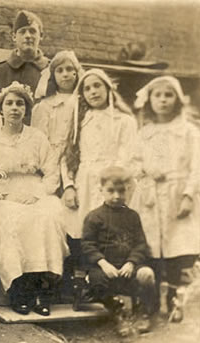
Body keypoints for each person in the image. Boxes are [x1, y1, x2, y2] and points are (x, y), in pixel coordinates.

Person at [130, 76, 200, 322]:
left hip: (178, 194)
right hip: (150, 197)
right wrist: (146, 171)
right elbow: (133, 163)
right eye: (158, 95)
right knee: (151, 252)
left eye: (169, 95)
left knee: (180, 253)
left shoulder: (188, 132)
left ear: (177, 100)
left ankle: (178, 301)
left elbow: (198, 167)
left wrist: (189, 195)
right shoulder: (145, 132)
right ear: (150, 100)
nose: (163, 100)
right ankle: (151, 302)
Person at [0, 82, 68, 316]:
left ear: (26, 109)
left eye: (20, 103)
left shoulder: (37, 137)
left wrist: (37, 194)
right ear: (0, 109)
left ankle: (42, 289)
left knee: (48, 215)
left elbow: (52, 171)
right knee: (10, 219)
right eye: (9, 103)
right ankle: (19, 289)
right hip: (3, 193)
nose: (14, 108)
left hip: (36, 190)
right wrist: (6, 194)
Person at [61, 69, 137, 239]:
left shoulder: (124, 121)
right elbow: (67, 156)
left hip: (114, 183)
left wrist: (114, 184)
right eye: (87, 89)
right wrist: (69, 186)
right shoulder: (79, 121)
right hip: (84, 183)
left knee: (112, 232)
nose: (93, 91)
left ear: (108, 89)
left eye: (97, 86)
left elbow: (128, 157)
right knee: (84, 233)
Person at [82, 166, 156, 336]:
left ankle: (143, 312)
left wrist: (131, 263)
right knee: (96, 281)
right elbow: (87, 245)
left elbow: (140, 244)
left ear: (128, 190)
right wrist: (103, 263)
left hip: (128, 268)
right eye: (111, 191)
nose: (116, 196)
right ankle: (118, 311)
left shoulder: (132, 216)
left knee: (147, 274)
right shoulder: (94, 216)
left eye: (121, 191)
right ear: (101, 190)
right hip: (105, 267)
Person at [0, 10, 50, 119]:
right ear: (14, 36)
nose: (28, 36)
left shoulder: (51, 70)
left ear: (41, 36)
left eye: (32, 31)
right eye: (22, 32)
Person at [31, 50, 83, 165]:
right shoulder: (45, 106)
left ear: (77, 73)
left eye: (69, 69)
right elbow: (39, 141)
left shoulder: (83, 104)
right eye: (59, 71)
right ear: (53, 76)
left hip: (79, 160)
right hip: (52, 160)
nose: (65, 74)